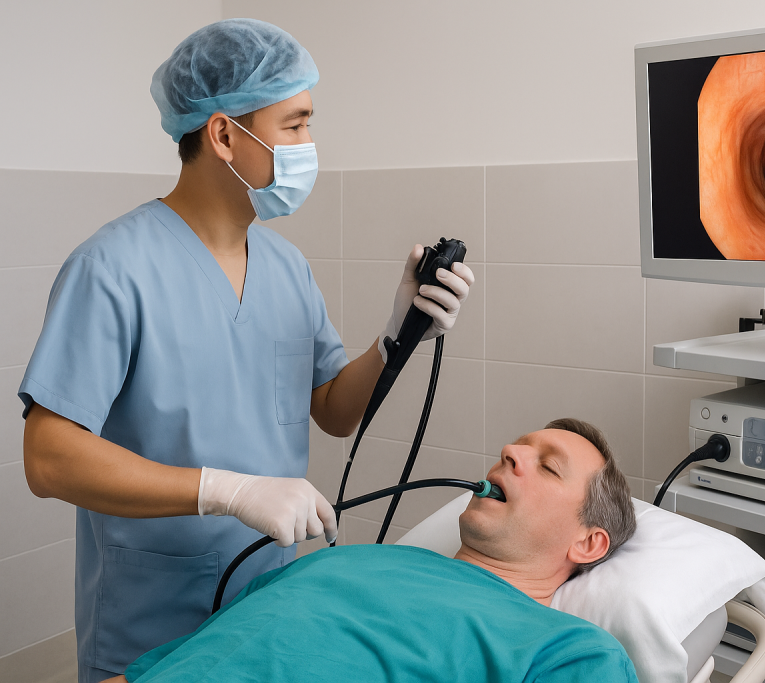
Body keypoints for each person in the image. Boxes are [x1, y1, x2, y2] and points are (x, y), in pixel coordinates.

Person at [19, 19, 474, 683]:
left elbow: (333, 408)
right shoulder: (111, 268)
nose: (308, 146)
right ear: (224, 134)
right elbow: (48, 457)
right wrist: (225, 491)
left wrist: (395, 337)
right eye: (294, 125)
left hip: (266, 608)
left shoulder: (286, 266)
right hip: (151, 618)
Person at [101, 418, 639, 683]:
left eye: (548, 466)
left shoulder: (571, 650)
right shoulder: (342, 559)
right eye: (520, 445)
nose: (511, 451)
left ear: (588, 542)